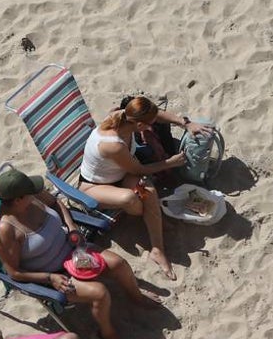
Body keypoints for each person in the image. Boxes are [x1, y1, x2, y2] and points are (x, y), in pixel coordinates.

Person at [0, 168, 163, 339]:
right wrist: (50, 278)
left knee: (119, 264)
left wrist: (71, 226)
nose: (35, 193)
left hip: (74, 251)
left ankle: (136, 296)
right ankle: (107, 334)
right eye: (29, 194)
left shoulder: (34, 195)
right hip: (54, 275)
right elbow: (14, 272)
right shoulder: (5, 230)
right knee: (100, 294)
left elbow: (56, 203)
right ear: (18, 200)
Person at [78, 96, 214, 281]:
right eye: (150, 124)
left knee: (148, 190)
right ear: (140, 125)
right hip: (93, 186)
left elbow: (156, 115)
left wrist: (186, 124)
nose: (153, 125)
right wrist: (169, 163)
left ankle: (157, 249)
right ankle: (152, 217)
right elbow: (138, 169)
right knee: (130, 198)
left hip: (119, 175)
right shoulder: (113, 144)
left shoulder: (125, 115)